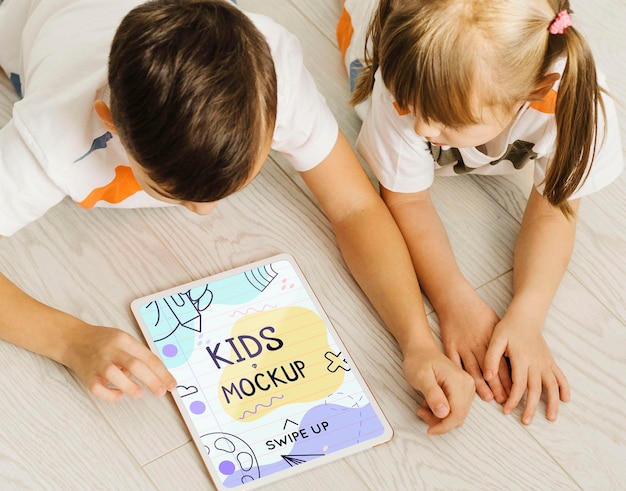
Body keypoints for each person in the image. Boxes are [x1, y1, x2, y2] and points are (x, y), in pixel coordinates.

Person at [0, 0, 475, 434]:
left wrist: (418, 342)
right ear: (110, 122)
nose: (205, 212)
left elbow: (354, 206)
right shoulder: (51, 138)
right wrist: (70, 341)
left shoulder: (270, 69)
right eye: (173, 193)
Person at [337, 0, 623, 426]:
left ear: (536, 90)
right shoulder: (404, 83)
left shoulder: (577, 110)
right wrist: (452, 299)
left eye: (444, 121)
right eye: (412, 110)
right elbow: (406, 199)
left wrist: (527, 314)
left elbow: (554, 211)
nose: (421, 129)